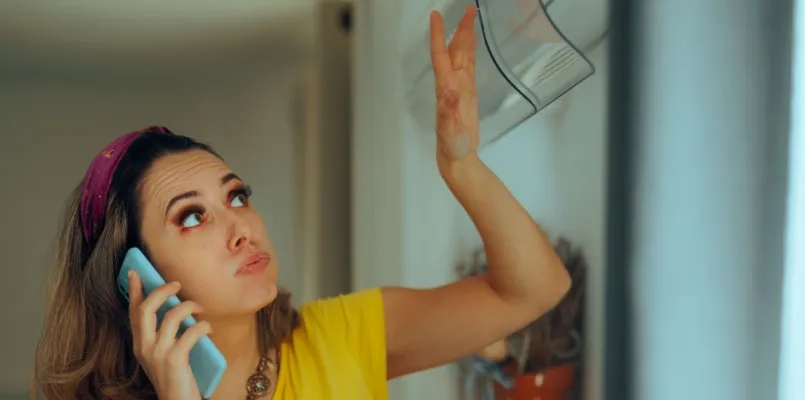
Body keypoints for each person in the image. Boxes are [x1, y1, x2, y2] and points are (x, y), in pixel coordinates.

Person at [30, 7, 571, 400]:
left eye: (236, 196)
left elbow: (534, 290)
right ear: (136, 280)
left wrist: (462, 166)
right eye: (192, 216)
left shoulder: (339, 336)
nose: (240, 227)